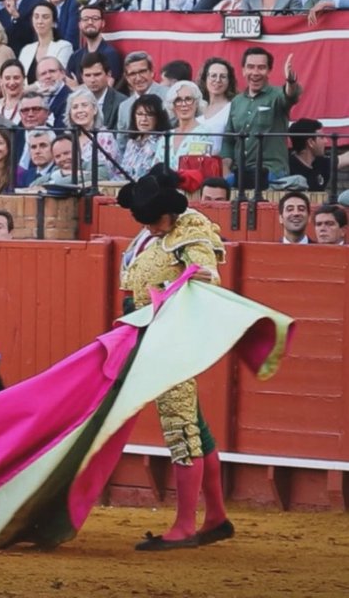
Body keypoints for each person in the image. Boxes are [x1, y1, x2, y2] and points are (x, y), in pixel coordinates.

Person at [118, 165, 230, 549]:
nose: (150, 227)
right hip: (151, 333)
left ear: (172, 210)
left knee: (180, 425)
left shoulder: (192, 226)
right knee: (195, 426)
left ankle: (185, 525)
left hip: (175, 336)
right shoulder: (152, 230)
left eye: (155, 220)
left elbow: (207, 275)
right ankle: (215, 518)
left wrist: (163, 292)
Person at [223, 48, 302, 184]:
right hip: (239, 172)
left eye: (261, 67)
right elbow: (229, 140)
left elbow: (291, 95)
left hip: (270, 171)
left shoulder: (277, 95)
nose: (255, 72)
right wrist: (225, 172)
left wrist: (290, 80)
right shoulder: (237, 101)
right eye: (250, 67)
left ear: (269, 71)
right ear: (243, 70)